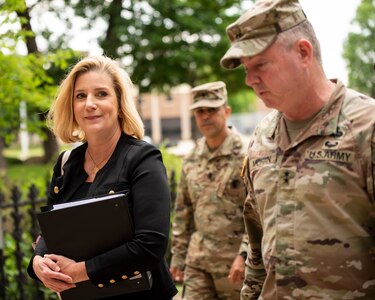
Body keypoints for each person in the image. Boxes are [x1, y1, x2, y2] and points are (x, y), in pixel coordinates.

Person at [220, 0, 375, 299]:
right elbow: (257, 250)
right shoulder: (262, 137)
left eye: (260, 64)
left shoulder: (366, 128)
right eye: (247, 69)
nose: (250, 80)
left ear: (304, 52)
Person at [27, 56, 178, 300]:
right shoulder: (67, 164)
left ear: (119, 103)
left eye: (101, 94)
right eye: (80, 96)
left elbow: (151, 245)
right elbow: (51, 230)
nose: (89, 104)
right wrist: (38, 263)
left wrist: (79, 271)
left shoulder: (142, 158)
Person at [169, 81, 248, 299]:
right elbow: (183, 212)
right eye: (199, 111)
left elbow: (259, 212)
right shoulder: (191, 157)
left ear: (227, 111)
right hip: (198, 262)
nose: (205, 116)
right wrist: (178, 256)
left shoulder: (247, 155)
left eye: (212, 110)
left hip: (235, 265)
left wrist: (245, 255)